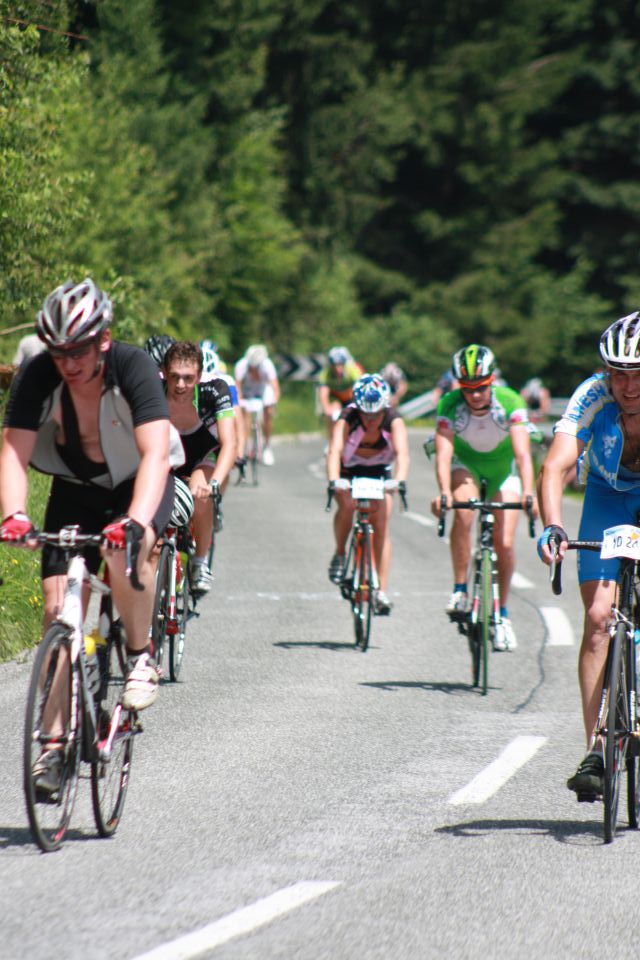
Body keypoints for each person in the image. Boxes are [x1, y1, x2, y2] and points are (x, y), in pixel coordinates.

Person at [0, 279, 180, 792]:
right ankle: (53, 749)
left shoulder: (134, 368)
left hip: (136, 484)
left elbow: (154, 456)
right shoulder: (39, 375)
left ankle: (143, 654)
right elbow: (12, 453)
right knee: (58, 616)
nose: (69, 362)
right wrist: (14, 514)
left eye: (78, 350)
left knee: (130, 548)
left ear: (103, 339)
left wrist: (134, 521)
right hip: (75, 489)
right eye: (59, 352)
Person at [537, 311, 640, 799]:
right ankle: (597, 750)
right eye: (618, 373)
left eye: (638, 374)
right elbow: (556, 466)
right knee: (599, 618)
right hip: (606, 495)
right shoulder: (592, 395)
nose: (627, 385)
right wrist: (553, 525)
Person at [430, 344, 538, 650]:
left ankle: (502, 615)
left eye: (481, 387)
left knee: (504, 543)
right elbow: (443, 454)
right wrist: (443, 492)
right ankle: (461, 588)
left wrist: (529, 493)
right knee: (463, 511)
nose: (475, 395)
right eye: (467, 388)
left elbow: (523, 453)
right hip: (467, 467)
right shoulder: (450, 405)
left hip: (504, 471)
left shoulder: (511, 401)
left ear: (491, 381)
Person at [326, 373, 409, 615]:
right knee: (348, 505)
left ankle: (381, 591)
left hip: (379, 471)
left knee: (381, 523)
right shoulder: (348, 417)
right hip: (349, 469)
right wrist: (334, 481)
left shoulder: (394, 419)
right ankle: (340, 553)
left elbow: (403, 454)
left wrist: (400, 480)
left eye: (376, 414)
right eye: (366, 414)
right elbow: (334, 451)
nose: (371, 420)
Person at [163, 341, 236, 592]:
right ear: (164, 373)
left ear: (200, 376)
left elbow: (230, 443)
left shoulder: (215, 390)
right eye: (174, 377)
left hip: (203, 454)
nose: (181, 385)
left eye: (188, 378)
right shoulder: (153, 389)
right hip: (167, 452)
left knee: (201, 495)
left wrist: (214, 484)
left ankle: (199, 561)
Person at [234, 344, 280, 466]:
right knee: (245, 414)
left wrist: (275, 402)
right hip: (247, 392)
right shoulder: (241, 365)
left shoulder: (268, 365)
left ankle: (267, 446)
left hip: (263, 391)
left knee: (268, 412)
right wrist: (238, 402)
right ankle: (244, 446)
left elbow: (275, 387)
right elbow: (237, 387)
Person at [317, 346, 364, 445]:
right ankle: (331, 441)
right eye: (334, 365)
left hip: (351, 397)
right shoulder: (326, 374)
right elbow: (323, 393)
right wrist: (326, 408)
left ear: (344, 364)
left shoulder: (353, 370)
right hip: (336, 398)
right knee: (330, 413)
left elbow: (360, 389)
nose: (337, 368)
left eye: (340, 365)